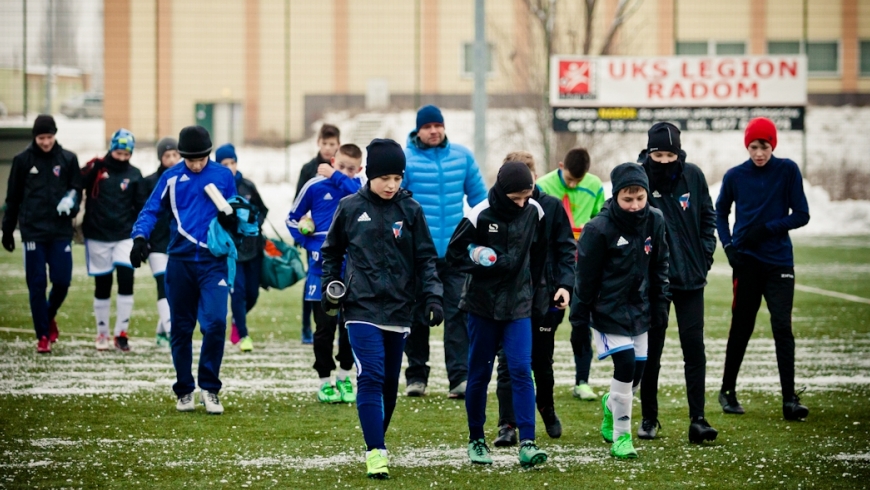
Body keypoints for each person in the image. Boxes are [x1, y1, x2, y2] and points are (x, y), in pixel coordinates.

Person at [320, 139, 443, 479]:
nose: (391, 185)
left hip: (400, 309)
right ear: (370, 175)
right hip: (360, 308)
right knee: (371, 376)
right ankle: (376, 451)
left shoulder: (411, 210)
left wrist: (433, 296)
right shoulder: (349, 207)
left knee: (390, 382)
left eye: (397, 177)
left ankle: (377, 438)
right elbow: (331, 252)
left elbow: (426, 259)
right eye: (384, 177)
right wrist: (333, 285)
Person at [446, 161, 549, 468]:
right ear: (502, 192)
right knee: (479, 373)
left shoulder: (535, 211)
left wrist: (538, 292)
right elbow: (454, 254)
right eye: (515, 198)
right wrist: (483, 260)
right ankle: (476, 439)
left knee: (520, 369)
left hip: (518, 306)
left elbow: (540, 254)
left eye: (525, 197)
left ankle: (528, 443)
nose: (521, 204)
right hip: (482, 306)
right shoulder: (479, 214)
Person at [130, 125, 237, 415]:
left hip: (213, 263)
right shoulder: (171, 177)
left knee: (215, 323)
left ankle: (210, 389)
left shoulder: (224, 176)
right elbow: (151, 209)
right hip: (179, 262)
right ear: (182, 155)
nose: (197, 164)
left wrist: (233, 220)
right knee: (180, 328)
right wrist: (140, 236)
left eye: (201, 158)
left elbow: (236, 211)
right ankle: (184, 389)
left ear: (209, 153)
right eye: (191, 159)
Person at [569, 162, 669, 459]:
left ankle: (612, 404)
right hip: (607, 311)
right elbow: (584, 279)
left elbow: (660, 264)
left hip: (640, 310)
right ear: (615, 196)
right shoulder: (598, 229)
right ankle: (621, 437)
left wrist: (661, 303)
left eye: (640, 198)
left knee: (637, 373)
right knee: (624, 366)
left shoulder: (656, 220)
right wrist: (578, 321)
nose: (635, 205)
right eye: (628, 199)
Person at [715, 117, 810, 421]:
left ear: (773, 145)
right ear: (747, 146)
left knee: (782, 327)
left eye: (764, 146)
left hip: (779, 261)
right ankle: (727, 391)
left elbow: (802, 214)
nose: (759, 153)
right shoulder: (735, 176)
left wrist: (767, 229)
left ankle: (789, 400)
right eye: (754, 146)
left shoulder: (787, 171)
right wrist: (729, 248)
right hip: (746, 263)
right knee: (742, 326)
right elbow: (720, 213)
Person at [635, 123, 719, 443]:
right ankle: (649, 419)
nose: (665, 160)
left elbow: (707, 218)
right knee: (652, 351)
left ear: (679, 153)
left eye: (671, 154)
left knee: (694, 349)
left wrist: (704, 257)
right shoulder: (639, 177)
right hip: (654, 284)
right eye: (659, 154)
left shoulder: (693, 176)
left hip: (691, 280)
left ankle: (698, 419)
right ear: (649, 152)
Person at [403, 104, 487, 398]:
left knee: (457, 314)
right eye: (427, 127)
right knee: (416, 316)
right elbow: (395, 202)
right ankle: (416, 377)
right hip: (417, 255)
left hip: (455, 253)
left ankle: (459, 378)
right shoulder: (406, 160)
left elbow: (480, 200)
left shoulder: (462, 157)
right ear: (418, 130)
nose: (434, 131)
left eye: (438, 125)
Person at [493, 152, 575, 447]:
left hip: (545, 298)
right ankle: (507, 424)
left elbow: (566, 249)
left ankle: (547, 408)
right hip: (510, 298)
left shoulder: (551, 207)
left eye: (529, 173)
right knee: (508, 362)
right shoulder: (499, 209)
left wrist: (564, 284)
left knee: (542, 361)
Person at [287, 143, 363, 403]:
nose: (344, 172)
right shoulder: (314, 186)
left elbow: (359, 192)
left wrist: (339, 177)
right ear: (332, 161)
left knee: (350, 328)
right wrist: (309, 242)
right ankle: (325, 381)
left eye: (351, 169)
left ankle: (344, 377)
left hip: (352, 273)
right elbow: (291, 218)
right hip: (321, 272)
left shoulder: (358, 189)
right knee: (324, 329)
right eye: (340, 166)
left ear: (360, 169)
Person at [1, 115, 82, 353]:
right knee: (36, 284)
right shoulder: (22, 160)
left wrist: (71, 203)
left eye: (49, 137)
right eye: (41, 138)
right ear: (34, 137)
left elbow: (76, 188)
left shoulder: (68, 159)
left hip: (60, 231)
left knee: (62, 281)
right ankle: (43, 336)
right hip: (33, 232)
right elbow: (13, 198)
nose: (46, 142)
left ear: (55, 135)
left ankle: (47, 316)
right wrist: (7, 230)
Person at [536, 147, 605, 401]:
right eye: (569, 179)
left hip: (584, 266)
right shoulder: (542, 185)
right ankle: (536, 373)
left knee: (581, 324)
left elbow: (600, 218)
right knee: (546, 323)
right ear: (561, 165)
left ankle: (582, 381)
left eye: (579, 179)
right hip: (552, 267)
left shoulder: (595, 185)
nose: (574, 184)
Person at [81, 129, 145, 352]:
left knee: (126, 279)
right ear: (111, 149)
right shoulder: (97, 169)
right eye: (118, 153)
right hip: (97, 235)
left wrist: (142, 237)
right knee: (103, 284)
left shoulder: (135, 175)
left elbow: (142, 208)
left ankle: (121, 333)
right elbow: (77, 183)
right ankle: (102, 333)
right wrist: (90, 169)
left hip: (124, 235)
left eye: (126, 154)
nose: (122, 158)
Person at [216, 143, 269, 352]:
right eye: (225, 163)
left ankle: (238, 321)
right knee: (237, 293)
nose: (230, 167)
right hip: (233, 252)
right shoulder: (216, 190)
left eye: (232, 162)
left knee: (252, 294)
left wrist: (255, 223)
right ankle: (244, 336)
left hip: (254, 249)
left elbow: (263, 209)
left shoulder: (248, 186)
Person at [295, 123, 341, 345]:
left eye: (332, 144)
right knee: (311, 280)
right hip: (314, 238)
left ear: (338, 145)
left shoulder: (342, 170)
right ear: (318, 143)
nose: (328, 148)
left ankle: (341, 325)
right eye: (325, 143)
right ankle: (307, 326)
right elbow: (299, 203)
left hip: (339, 239)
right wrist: (303, 226)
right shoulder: (308, 169)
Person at [139, 137, 181, 347]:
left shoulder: (187, 180)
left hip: (179, 244)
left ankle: (161, 331)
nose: (172, 159)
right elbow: (143, 212)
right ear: (160, 158)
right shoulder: (149, 183)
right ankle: (172, 331)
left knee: (176, 289)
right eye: (167, 155)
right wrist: (142, 239)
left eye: (175, 154)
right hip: (156, 245)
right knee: (163, 284)